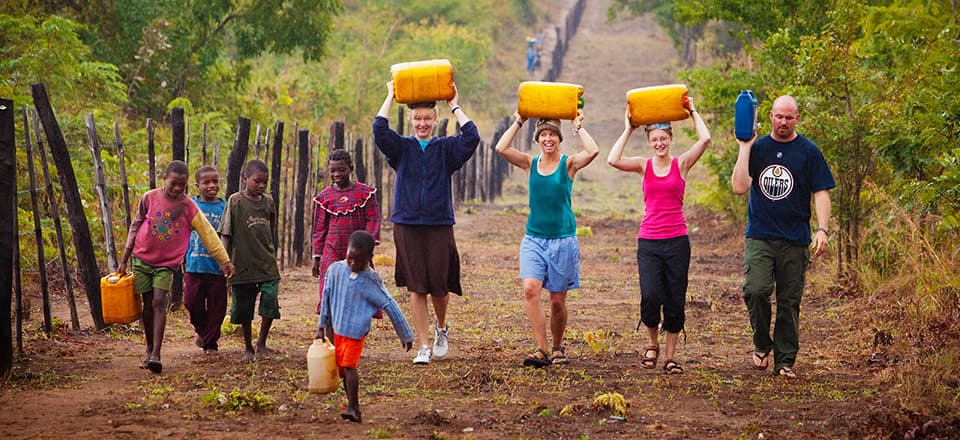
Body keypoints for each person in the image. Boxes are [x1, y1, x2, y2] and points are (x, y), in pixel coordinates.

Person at [373, 80, 480, 364]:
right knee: (416, 286)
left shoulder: (446, 149)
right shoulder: (401, 149)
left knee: (439, 286)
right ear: (410, 118)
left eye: (427, 119)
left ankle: (441, 328)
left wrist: (455, 105)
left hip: (438, 223)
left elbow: (471, 137)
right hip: (406, 223)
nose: (422, 123)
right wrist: (390, 96)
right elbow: (379, 130)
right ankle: (423, 345)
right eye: (417, 118)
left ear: (435, 120)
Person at [731, 95, 834, 378]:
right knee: (755, 289)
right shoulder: (759, 147)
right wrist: (745, 148)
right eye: (779, 116)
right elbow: (739, 187)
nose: (783, 122)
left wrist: (823, 229)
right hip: (760, 235)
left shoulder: (809, 151)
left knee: (789, 301)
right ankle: (762, 342)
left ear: (797, 118)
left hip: (795, 239)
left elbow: (821, 191)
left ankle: (785, 361)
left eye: (789, 117)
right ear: (770, 117)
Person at [607, 97, 711, 374]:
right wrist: (629, 128)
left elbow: (705, 139)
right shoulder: (644, 165)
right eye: (654, 139)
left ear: (670, 138)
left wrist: (692, 111)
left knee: (675, 299)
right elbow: (612, 159)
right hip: (649, 242)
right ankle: (652, 343)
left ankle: (670, 356)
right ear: (649, 141)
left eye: (663, 138)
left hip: (677, 241)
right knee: (651, 296)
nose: (659, 143)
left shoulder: (682, 164)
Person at [494, 110, 599, 367]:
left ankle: (557, 347)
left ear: (559, 138)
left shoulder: (568, 164)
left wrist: (578, 126)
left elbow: (593, 151)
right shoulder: (530, 164)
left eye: (552, 134)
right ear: (537, 138)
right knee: (530, 288)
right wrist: (519, 120)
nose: (548, 139)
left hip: (563, 239)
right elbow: (501, 147)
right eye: (543, 134)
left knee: (557, 300)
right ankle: (541, 349)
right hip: (534, 238)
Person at [117, 160, 235, 373]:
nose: (178, 189)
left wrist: (224, 260)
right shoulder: (149, 198)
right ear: (165, 180)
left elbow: (208, 233)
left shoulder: (188, 205)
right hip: (142, 259)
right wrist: (125, 258)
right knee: (147, 305)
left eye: (182, 185)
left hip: (166, 264)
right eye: (174, 184)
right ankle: (149, 348)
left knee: (159, 301)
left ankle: (156, 355)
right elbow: (135, 226)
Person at [318, 230, 414, 423]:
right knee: (342, 370)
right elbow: (325, 297)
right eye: (350, 258)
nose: (353, 264)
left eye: (360, 261)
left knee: (349, 366)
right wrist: (321, 326)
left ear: (370, 259)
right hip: (334, 329)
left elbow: (389, 305)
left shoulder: (371, 280)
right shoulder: (335, 270)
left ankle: (354, 407)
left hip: (355, 333)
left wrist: (405, 334)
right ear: (346, 251)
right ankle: (351, 404)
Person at [311, 149, 382, 340]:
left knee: (358, 291)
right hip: (331, 251)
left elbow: (373, 219)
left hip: (357, 252)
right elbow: (319, 229)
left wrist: (367, 248)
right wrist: (317, 257)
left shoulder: (365, 193)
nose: (336, 175)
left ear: (351, 168)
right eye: (332, 171)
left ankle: (353, 338)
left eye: (341, 170)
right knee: (329, 290)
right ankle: (331, 340)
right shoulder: (324, 197)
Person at [219, 159, 281, 363]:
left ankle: (262, 342)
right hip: (242, 263)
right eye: (257, 181)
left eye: (265, 182)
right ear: (245, 179)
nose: (262, 186)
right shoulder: (235, 201)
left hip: (266, 262)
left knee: (270, 301)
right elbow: (226, 233)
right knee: (244, 306)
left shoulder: (268, 201)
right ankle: (247, 346)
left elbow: (271, 230)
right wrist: (224, 259)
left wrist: (273, 252)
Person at [183, 166, 229, 354]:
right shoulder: (190, 206)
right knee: (192, 302)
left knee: (217, 307)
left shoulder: (224, 207)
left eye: (215, 181)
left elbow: (229, 235)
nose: (212, 185)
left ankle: (210, 343)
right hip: (194, 264)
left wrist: (226, 260)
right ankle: (202, 332)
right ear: (197, 185)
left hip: (217, 267)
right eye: (206, 182)